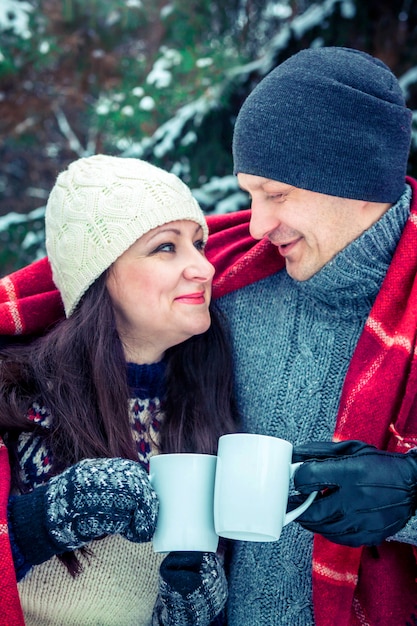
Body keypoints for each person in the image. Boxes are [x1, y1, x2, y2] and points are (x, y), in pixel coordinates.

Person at [203, 47, 417, 625]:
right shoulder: (228, 298)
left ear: (355, 180)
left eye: (276, 194)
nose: (255, 225)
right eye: (250, 194)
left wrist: (411, 495)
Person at [0, 154, 236, 626]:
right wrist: (39, 523)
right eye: (166, 248)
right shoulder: (19, 402)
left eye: (199, 244)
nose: (203, 269)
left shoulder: (207, 398)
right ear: (100, 275)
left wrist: (189, 604)